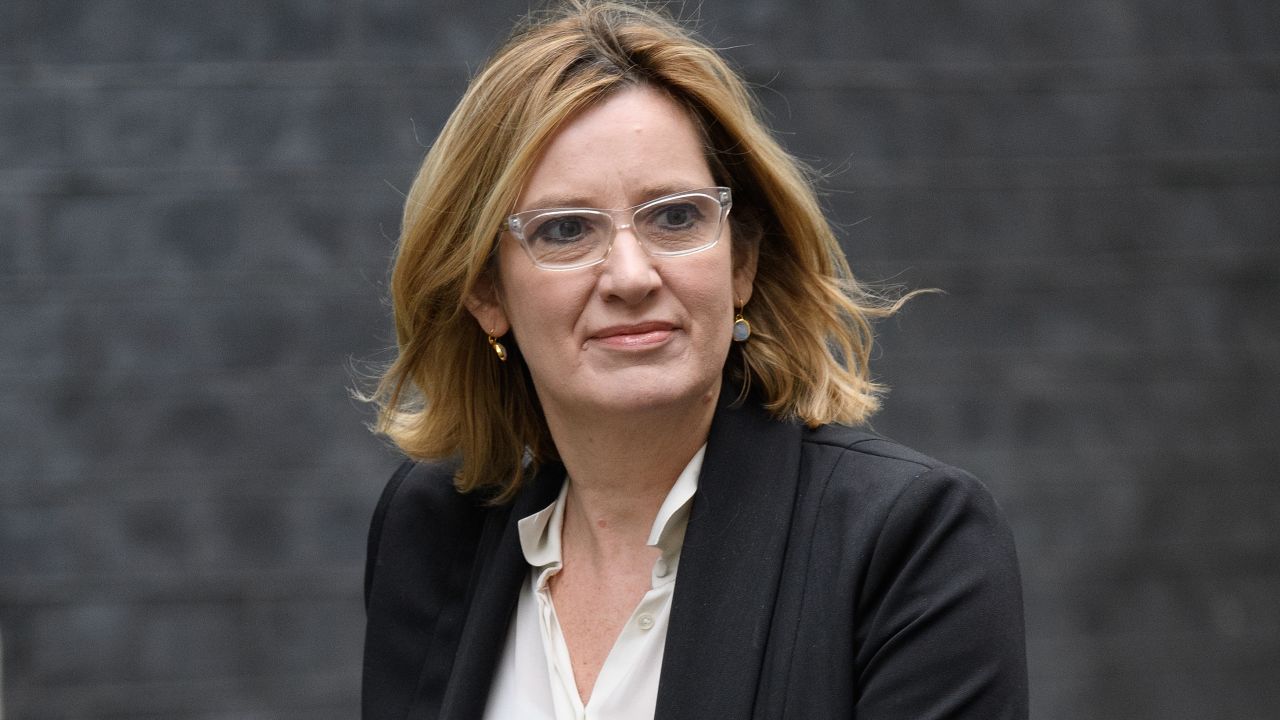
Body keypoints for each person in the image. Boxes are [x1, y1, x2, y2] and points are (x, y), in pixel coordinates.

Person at [361, 1, 1028, 718]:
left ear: (741, 260)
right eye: (565, 230)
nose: (630, 276)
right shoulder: (431, 534)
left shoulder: (905, 545)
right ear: (486, 291)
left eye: (675, 217)